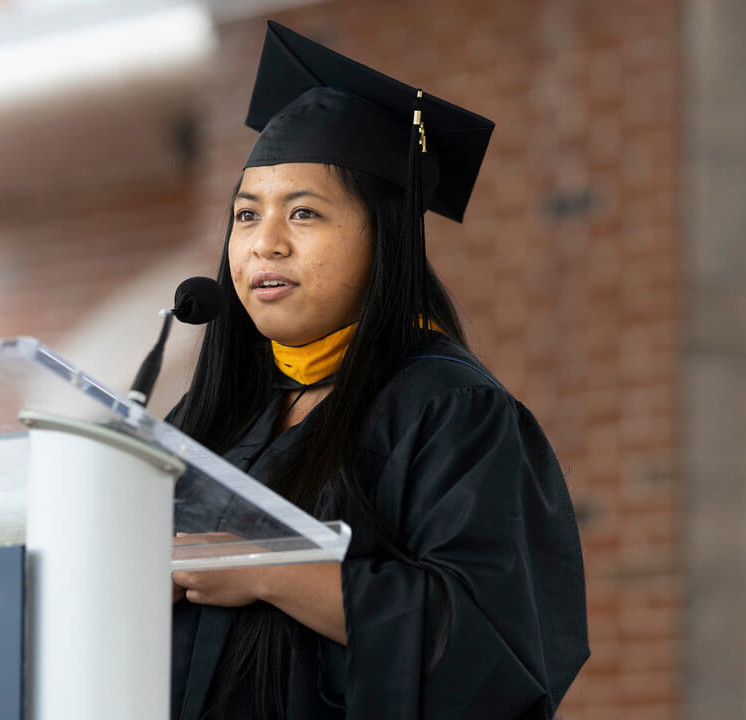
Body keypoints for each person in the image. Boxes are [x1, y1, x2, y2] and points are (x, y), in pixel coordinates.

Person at [168, 22, 588, 720]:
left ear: (384, 236)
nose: (265, 243)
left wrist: (269, 570)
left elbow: (491, 646)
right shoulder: (209, 415)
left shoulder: (449, 411)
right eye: (246, 215)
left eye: (304, 213)